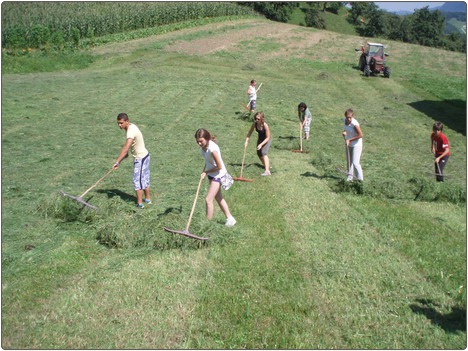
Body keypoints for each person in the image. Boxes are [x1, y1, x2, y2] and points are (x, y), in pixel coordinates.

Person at [195, 128, 236, 227]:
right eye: (197, 141)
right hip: (212, 174)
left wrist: (206, 172)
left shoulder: (213, 150)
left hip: (218, 175)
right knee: (218, 197)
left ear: (207, 138)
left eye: (201, 141)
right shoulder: (205, 147)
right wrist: (207, 170)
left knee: (208, 199)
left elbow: (219, 166)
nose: (199, 143)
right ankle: (230, 218)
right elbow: (208, 160)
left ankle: (206, 225)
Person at [113, 113, 151, 208]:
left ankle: (139, 204)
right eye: (118, 123)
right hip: (145, 155)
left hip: (140, 158)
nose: (119, 125)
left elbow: (126, 148)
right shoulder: (132, 126)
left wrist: (117, 162)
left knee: (137, 181)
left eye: (121, 123)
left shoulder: (130, 132)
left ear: (127, 121)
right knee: (145, 178)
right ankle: (148, 199)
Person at [245, 112, 271, 176]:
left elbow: (268, 137)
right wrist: (246, 141)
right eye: (256, 119)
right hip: (260, 139)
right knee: (259, 153)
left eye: (258, 119)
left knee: (264, 152)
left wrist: (261, 144)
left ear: (262, 119)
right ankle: (266, 165)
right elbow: (249, 133)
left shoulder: (265, 125)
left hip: (267, 139)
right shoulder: (255, 124)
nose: (256, 120)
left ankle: (267, 171)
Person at [342, 108, 364, 181]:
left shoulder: (355, 124)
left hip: (356, 145)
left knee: (355, 163)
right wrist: (344, 131)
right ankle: (349, 178)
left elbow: (361, 135)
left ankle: (360, 180)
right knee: (349, 162)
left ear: (352, 116)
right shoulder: (344, 120)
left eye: (350, 117)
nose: (348, 119)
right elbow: (346, 128)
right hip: (349, 144)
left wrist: (350, 140)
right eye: (347, 117)